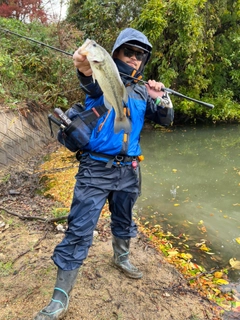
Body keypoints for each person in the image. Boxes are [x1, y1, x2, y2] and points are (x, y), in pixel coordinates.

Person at [34, 27, 174, 320]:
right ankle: (60, 297)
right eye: (128, 52)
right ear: (115, 53)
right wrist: (85, 67)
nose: (134, 59)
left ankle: (121, 256)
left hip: (129, 169)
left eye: (140, 55)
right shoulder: (101, 77)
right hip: (95, 168)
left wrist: (161, 97)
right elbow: (88, 79)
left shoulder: (140, 91)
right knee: (80, 228)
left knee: (124, 219)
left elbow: (166, 120)